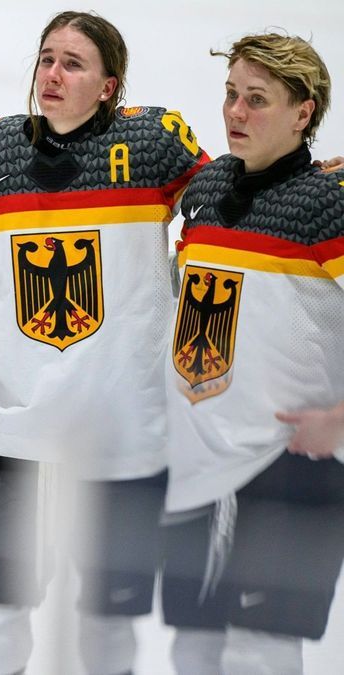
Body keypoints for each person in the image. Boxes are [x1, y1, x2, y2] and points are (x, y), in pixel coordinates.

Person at [0, 11, 210, 675]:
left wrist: (312, 181)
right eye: (47, 57)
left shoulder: (150, 145)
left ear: (109, 85)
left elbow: (234, 203)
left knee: (106, 623)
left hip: (123, 437)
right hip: (10, 435)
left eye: (74, 63)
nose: (52, 73)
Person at [160, 32, 343, 675]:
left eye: (257, 99)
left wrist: (341, 420)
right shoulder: (207, 190)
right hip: (201, 458)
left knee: (258, 654)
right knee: (194, 648)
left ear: (305, 112)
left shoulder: (331, 204)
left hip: (290, 467)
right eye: (232, 95)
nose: (235, 112)